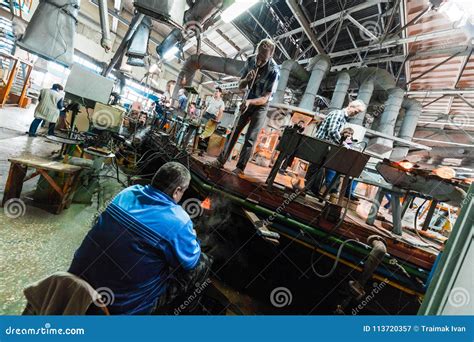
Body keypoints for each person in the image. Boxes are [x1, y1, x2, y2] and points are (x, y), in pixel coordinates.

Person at [68, 162, 211, 315]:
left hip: (74, 283)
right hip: (118, 307)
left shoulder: (128, 192)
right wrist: (191, 239)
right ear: (177, 191)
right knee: (202, 262)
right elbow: (190, 263)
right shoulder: (179, 221)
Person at [209, 38, 280, 176]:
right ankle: (220, 160)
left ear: (270, 55)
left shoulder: (274, 70)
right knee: (235, 130)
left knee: (250, 137)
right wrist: (246, 79)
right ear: (257, 50)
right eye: (259, 55)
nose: (259, 60)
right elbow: (240, 85)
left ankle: (240, 168)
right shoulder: (250, 60)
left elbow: (265, 98)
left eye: (263, 58)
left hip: (261, 105)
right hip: (247, 99)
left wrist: (250, 102)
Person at [305, 100, 366, 195]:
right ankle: (307, 189)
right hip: (321, 144)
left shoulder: (343, 118)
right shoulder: (338, 114)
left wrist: (348, 144)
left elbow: (338, 134)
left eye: (357, 113)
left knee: (319, 169)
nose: (355, 114)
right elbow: (332, 131)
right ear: (351, 106)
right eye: (356, 111)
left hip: (325, 146)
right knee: (315, 169)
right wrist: (344, 144)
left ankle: (312, 190)